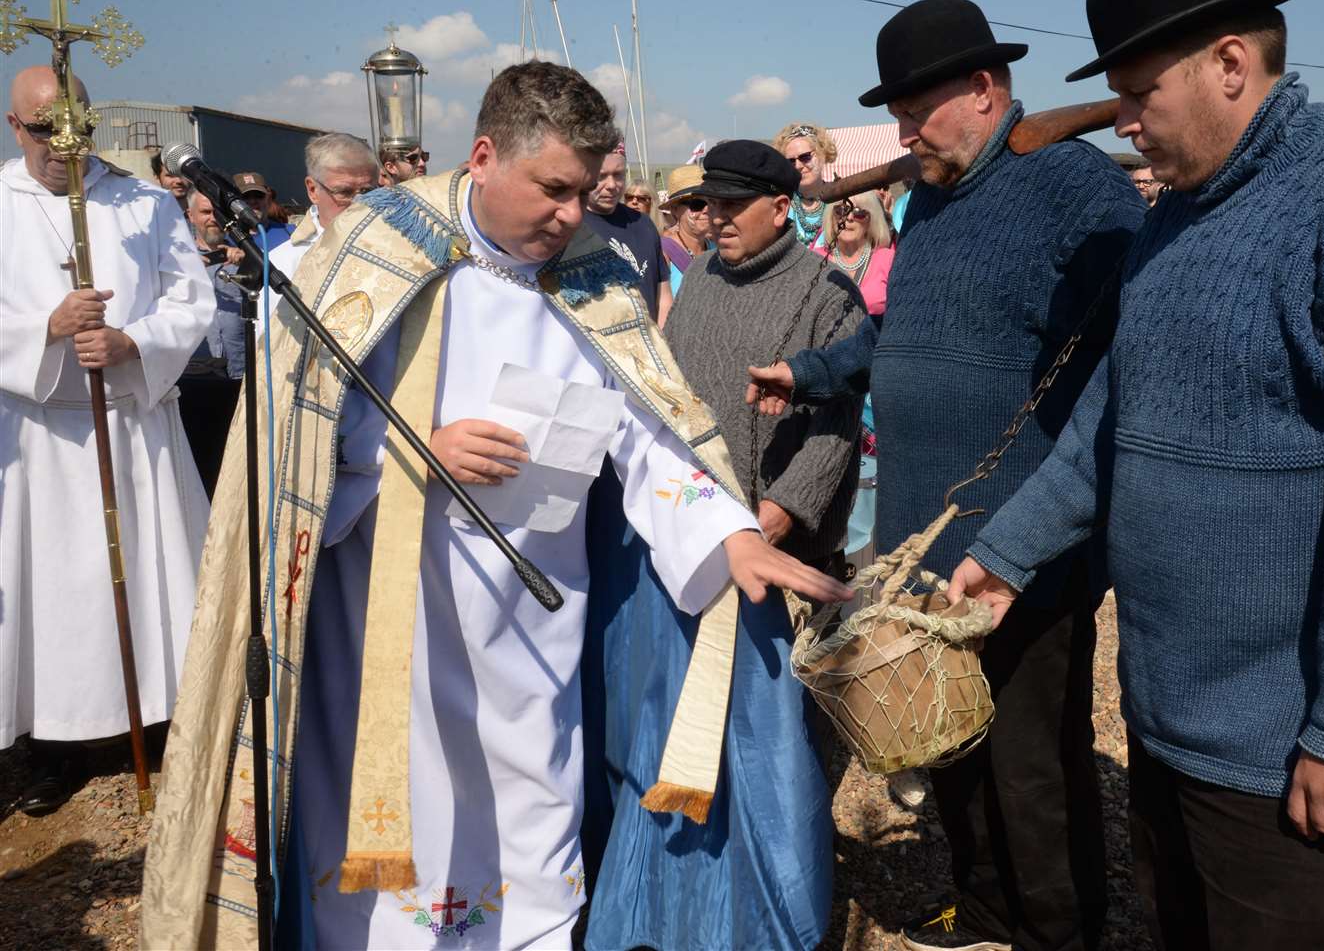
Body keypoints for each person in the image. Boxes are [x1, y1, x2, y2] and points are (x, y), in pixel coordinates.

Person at [140, 61, 847, 951]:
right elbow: (296, 429)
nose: (571, 215)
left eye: (584, 192)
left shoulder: (595, 274)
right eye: (553, 189)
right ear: (483, 156)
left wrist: (726, 532)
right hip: (390, 621)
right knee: (397, 822)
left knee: (529, 819)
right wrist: (411, 448)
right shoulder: (375, 248)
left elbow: (645, 429)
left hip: (534, 619)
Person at [947, 0, 1324, 951]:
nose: (1121, 124)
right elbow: (1110, 423)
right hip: (1173, 727)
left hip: (1294, 762)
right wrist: (1005, 553)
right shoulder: (1175, 219)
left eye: (1136, 95)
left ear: (1228, 64)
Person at [748, 0, 1142, 951]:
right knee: (943, 744)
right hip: (921, 542)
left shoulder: (1079, 191)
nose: (904, 131)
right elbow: (902, 334)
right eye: (896, 115)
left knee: (1032, 761)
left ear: (983, 87)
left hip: (1025, 550)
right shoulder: (928, 197)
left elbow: (1127, 368)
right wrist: (812, 372)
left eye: (918, 108)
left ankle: (1058, 929)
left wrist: (1041, 532)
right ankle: (986, 908)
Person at [1, 65, 215, 815]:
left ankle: (156, 721)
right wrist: (44, 332)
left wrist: (132, 342)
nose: (63, 147)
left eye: (78, 130)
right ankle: (53, 742)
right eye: (43, 131)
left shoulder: (144, 203)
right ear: (13, 125)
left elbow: (194, 300)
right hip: (40, 435)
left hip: (131, 423)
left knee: (153, 577)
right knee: (54, 594)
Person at [666, 140, 866, 576]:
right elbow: (669, 381)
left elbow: (841, 419)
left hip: (787, 547)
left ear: (779, 209)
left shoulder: (830, 290)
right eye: (710, 202)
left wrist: (788, 506)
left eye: (733, 204)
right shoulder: (699, 274)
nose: (717, 217)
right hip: (694, 525)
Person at [176, 187, 247, 497]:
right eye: (205, 212)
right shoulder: (175, 261)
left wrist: (248, 266)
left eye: (217, 211)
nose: (213, 218)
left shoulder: (250, 257)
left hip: (240, 379)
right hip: (195, 382)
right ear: (190, 216)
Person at [265, 132, 379, 290]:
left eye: (367, 192)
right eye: (344, 192)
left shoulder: (399, 248)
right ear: (313, 190)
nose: (358, 204)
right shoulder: (284, 263)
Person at [581, 143, 671, 324]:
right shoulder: (570, 226)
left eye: (618, 175)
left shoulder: (643, 223)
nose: (611, 185)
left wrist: (661, 343)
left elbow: (663, 296)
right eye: (602, 176)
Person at [812, 190, 897, 316]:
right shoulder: (815, 259)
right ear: (831, 216)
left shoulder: (888, 260)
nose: (849, 217)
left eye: (859, 213)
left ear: (871, 220)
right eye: (841, 210)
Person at [774, 122, 838, 246]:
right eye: (791, 161)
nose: (798, 166)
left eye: (805, 157)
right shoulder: (780, 206)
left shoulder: (840, 200)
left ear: (822, 154)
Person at [659, 163, 711, 296]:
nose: (707, 210)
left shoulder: (719, 249)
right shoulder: (662, 253)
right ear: (674, 209)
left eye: (710, 202)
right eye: (697, 204)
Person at [233, 169, 295, 254]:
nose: (253, 201)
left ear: (268, 198)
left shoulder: (292, 232)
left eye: (259, 195)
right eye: (245, 196)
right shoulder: (227, 242)